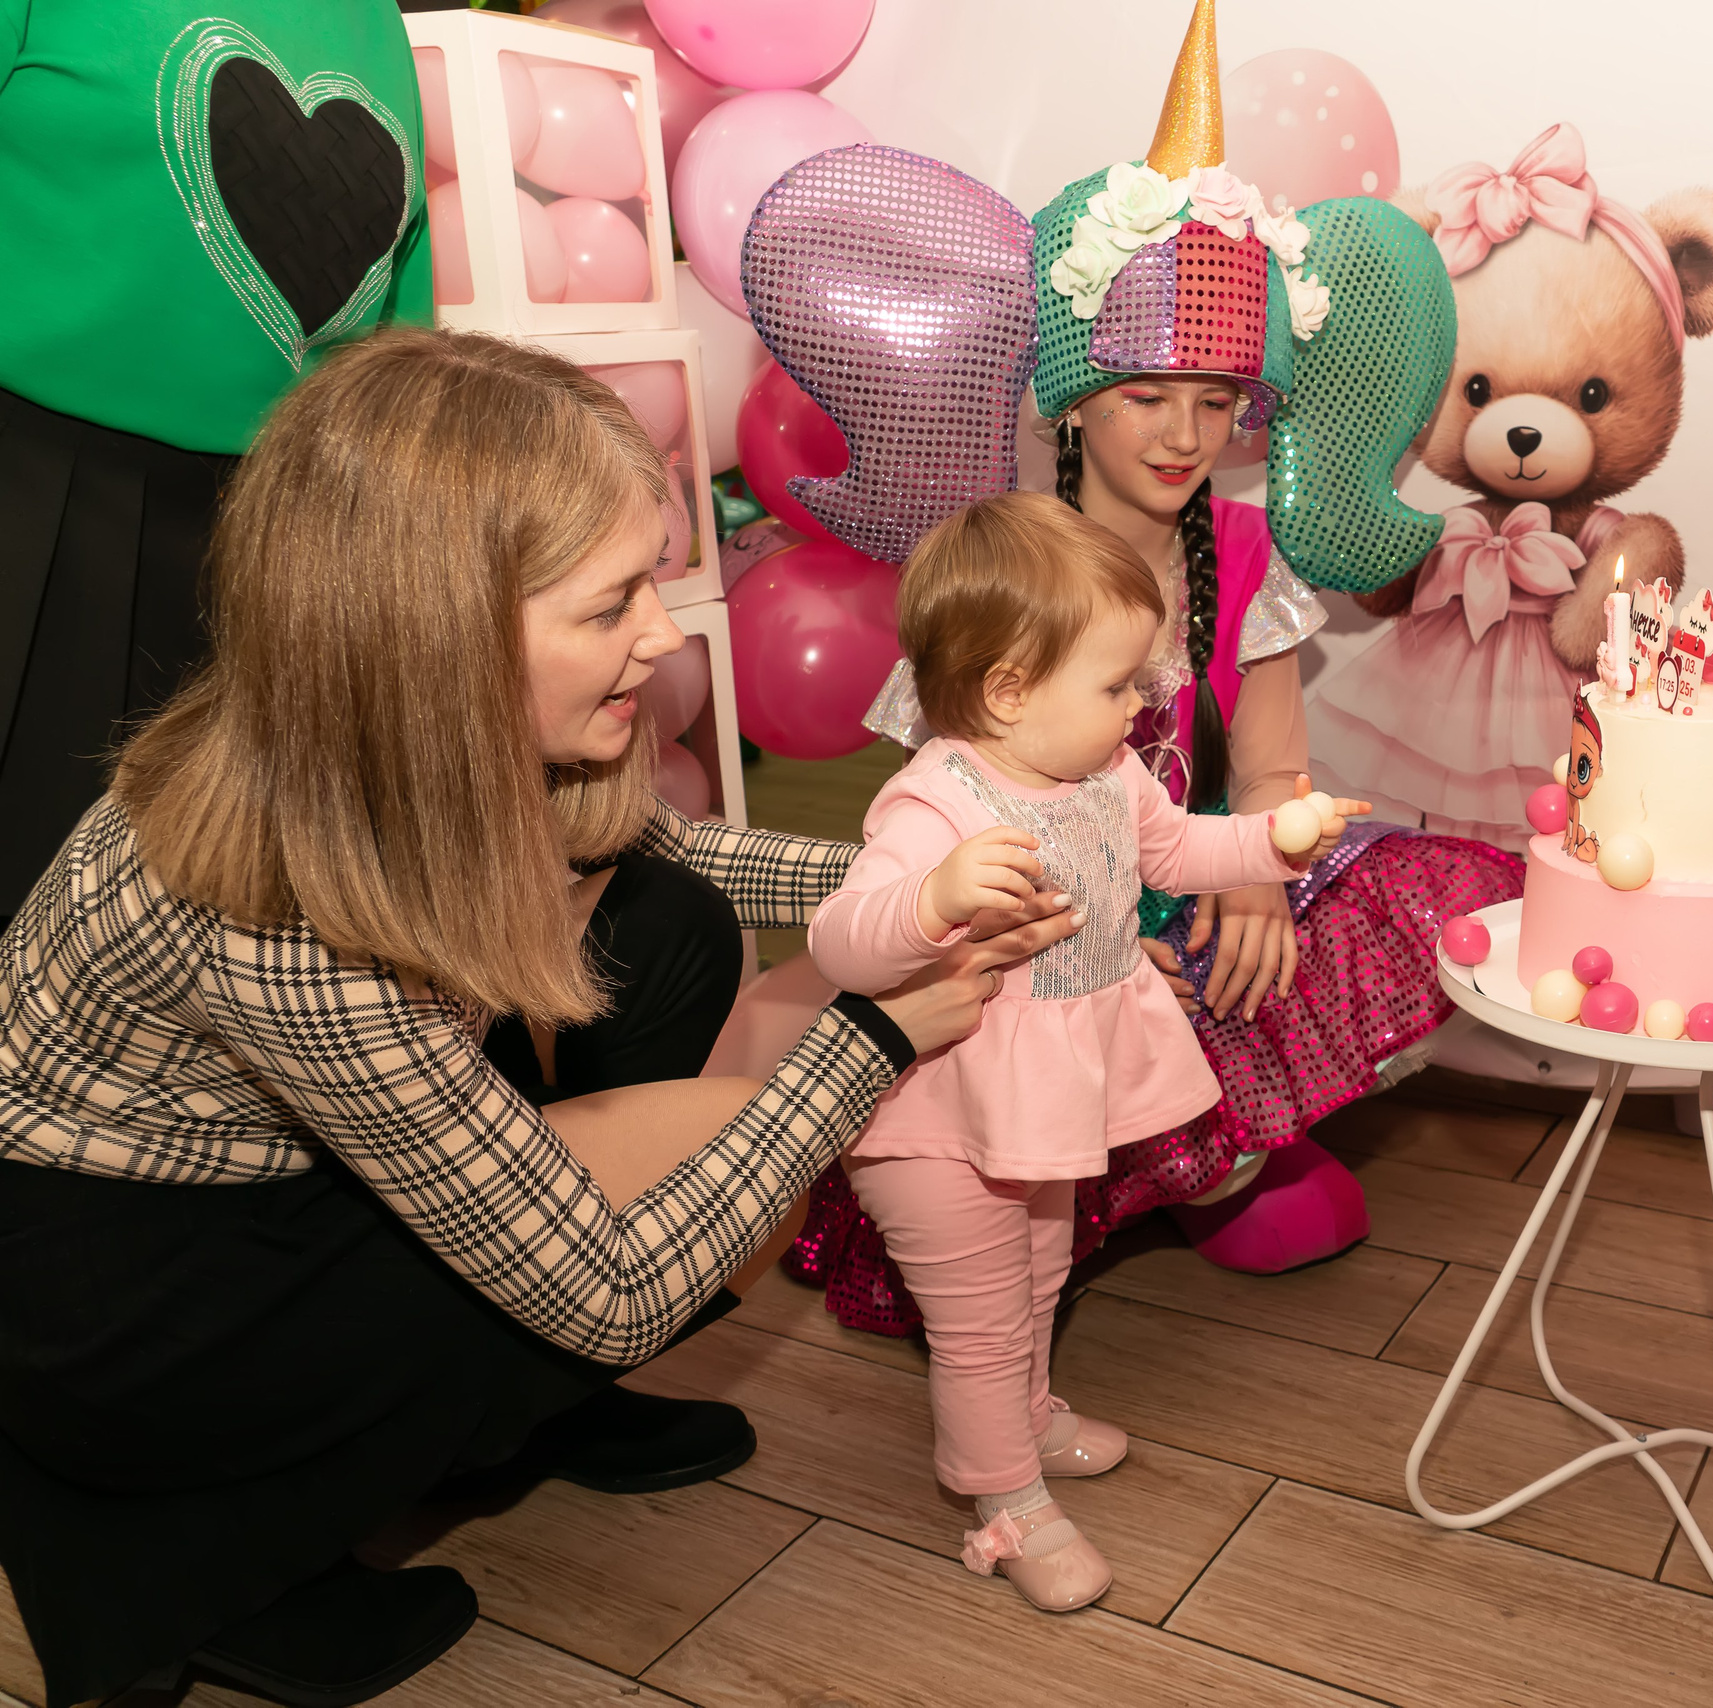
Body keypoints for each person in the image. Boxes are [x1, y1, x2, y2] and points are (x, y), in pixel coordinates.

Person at [0, 330, 1077, 1707]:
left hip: (265, 1174)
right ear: (438, 633)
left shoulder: (390, 732)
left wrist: (919, 893)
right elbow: (617, 1290)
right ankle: (246, 1568)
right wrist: (865, 1046)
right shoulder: (282, 914)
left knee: (666, 931)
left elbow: (666, 852)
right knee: (710, 1191)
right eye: (611, 601)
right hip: (122, 1298)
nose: (662, 634)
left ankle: (505, 1424)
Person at [782, 1, 1523, 1335]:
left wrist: (1261, 889)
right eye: (1147, 394)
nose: (1187, 433)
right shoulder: (998, 566)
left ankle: (1207, 1143)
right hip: (1035, 945)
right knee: (955, 1268)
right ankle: (1130, 1165)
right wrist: (1104, 945)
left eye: (1217, 400)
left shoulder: (1245, 555)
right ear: (1072, 397)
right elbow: (939, 827)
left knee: (1423, 884)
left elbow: (1278, 767)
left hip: (1185, 883)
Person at [806, 492, 1360, 1610]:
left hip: (1041, 1100)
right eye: (1115, 687)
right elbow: (840, 942)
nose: (1138, 707)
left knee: (1041, 1272)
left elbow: (1179, 847)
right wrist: (931, 900)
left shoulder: (1108, 777)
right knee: (976, 1316)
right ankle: (1003, 1498)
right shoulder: (937, 804)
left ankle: (1029, 1412)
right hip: (934, 1122)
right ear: (1008, 691)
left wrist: (1274, 837)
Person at [0, 0, 436, 914]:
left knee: (205, 929)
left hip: (273, 543)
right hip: (33, 503)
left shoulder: (372, 19)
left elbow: (399, 325)